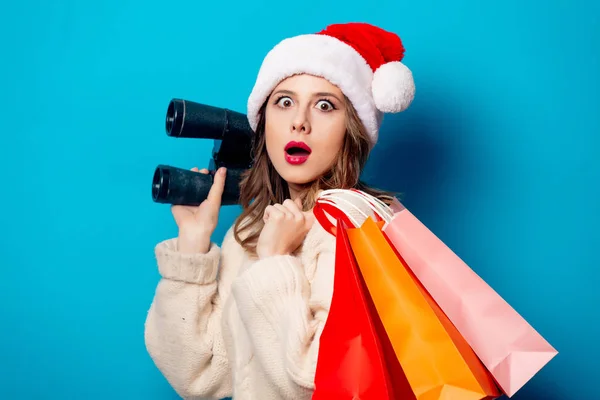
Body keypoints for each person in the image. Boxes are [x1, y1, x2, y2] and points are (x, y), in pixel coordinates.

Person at [144, 21, 416, 400]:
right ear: (263, 122)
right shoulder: (254, 228)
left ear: (351, 130)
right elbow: (200, 374)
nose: (298, 121)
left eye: (325, 105)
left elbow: (323, 383)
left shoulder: (360, 229)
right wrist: (192, 249)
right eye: (284, 101)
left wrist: (275, 261)